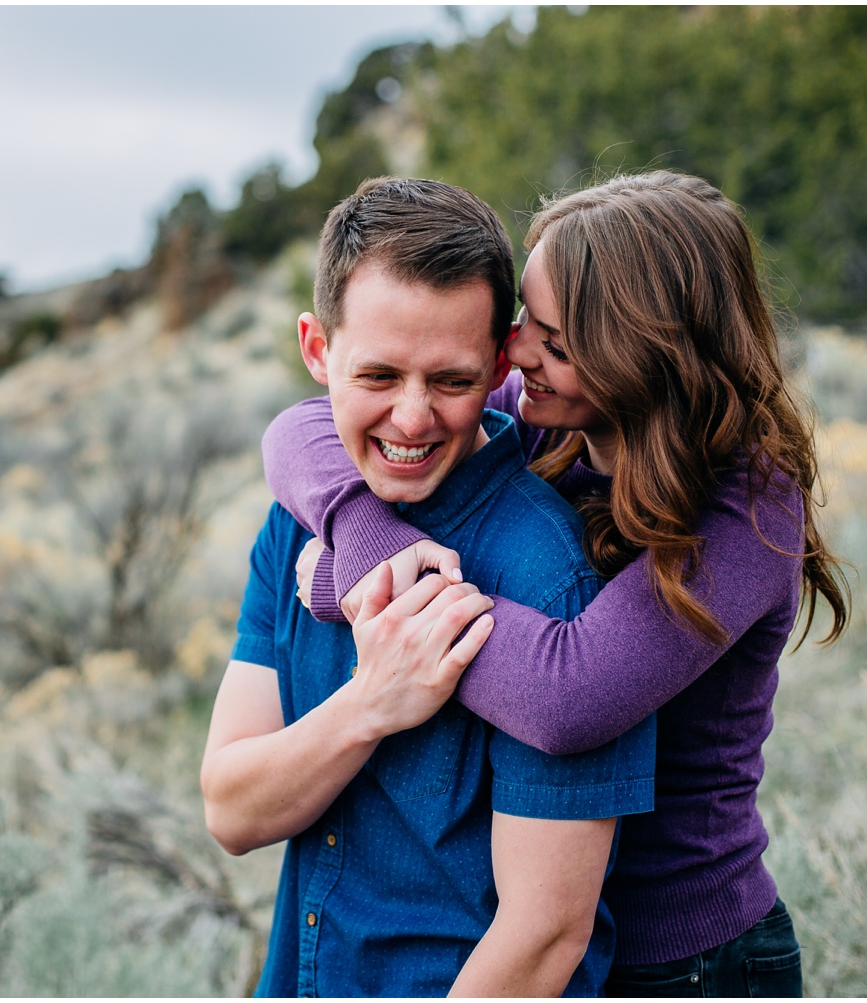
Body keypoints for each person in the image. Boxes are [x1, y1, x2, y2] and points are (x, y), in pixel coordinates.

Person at [261, 170, 849, 997]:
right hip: (568, 940)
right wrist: (366, 537)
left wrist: (379, 597)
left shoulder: (747, 499)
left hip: (686, 958)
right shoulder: (550, 408)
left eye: (559, 342)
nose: (518, 352)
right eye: (525, 321)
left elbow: (569, 695)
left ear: (647, 360)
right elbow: (299, 427)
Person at [200, 176, 655, 997]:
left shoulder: (554, 576)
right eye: (379, 376)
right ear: (316, 349)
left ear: (497, 365)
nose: (412, 420)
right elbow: (233, 808)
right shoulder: (299, 524)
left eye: (450, 381)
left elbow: (547, 935)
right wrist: (369, 705)